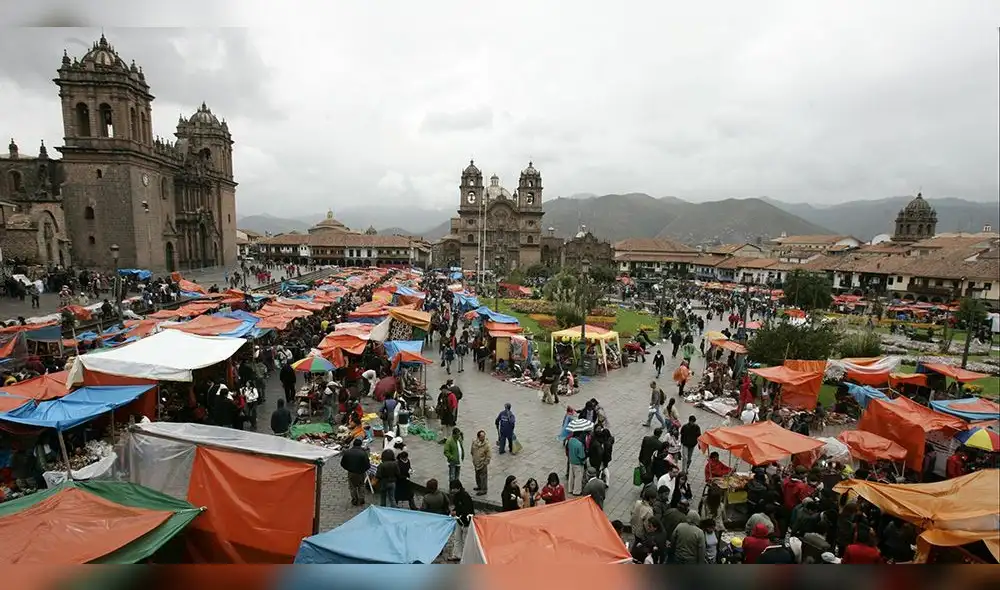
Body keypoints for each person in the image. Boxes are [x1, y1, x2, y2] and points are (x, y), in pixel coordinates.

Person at [339, 438, 371, 507]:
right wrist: (363, 470)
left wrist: (348, 469)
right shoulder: (363, 453)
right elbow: (367, 465)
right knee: (361, 485)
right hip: (361, 473)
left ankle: (354, 499)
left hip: (351, 472)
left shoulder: (348, 452)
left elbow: (342, 463)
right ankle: (361, 499)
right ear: (361, 445)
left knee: (352, 486)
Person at [449, 479, 474, 561]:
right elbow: (458, 507)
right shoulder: (456, 495)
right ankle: (457, 555)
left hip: (466, 522)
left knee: (466, 541)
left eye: (453, 488)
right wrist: (454, 511)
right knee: (457, 538)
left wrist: (457, 512)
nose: (452, 490)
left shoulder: (465, 496)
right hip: (459, 521)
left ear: (458, 488)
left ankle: (468, 557)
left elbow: (467, 509)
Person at [471, 429, 491, 496]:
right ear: (478, 437)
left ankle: (484, 490)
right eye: (482, 437)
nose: (483, 438)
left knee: (483, 477)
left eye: (484, 436)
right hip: (476, 463)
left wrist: (485, 462)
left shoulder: (486, 445)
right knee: (477, 476)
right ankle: (479, 486)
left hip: (483, 464)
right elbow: (472, 451)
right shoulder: (474, 442)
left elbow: (489, 455)